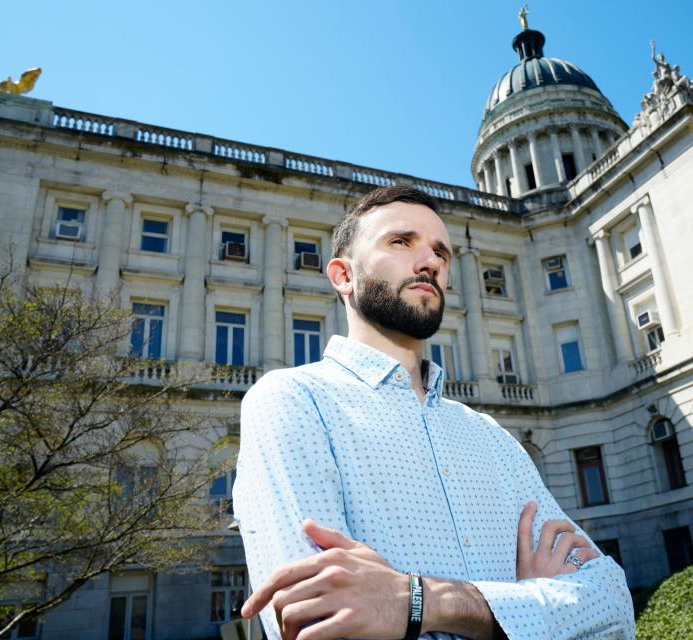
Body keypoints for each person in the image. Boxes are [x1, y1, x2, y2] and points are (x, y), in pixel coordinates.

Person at [233, 185, 635, 640]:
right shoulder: (292, 401)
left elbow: (614, 607)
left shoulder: (490, 436)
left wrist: (423, 600)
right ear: (343, 276)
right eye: (401, 242)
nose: (430, 262)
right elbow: (317, 624)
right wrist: (528, 610)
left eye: (441, 252)